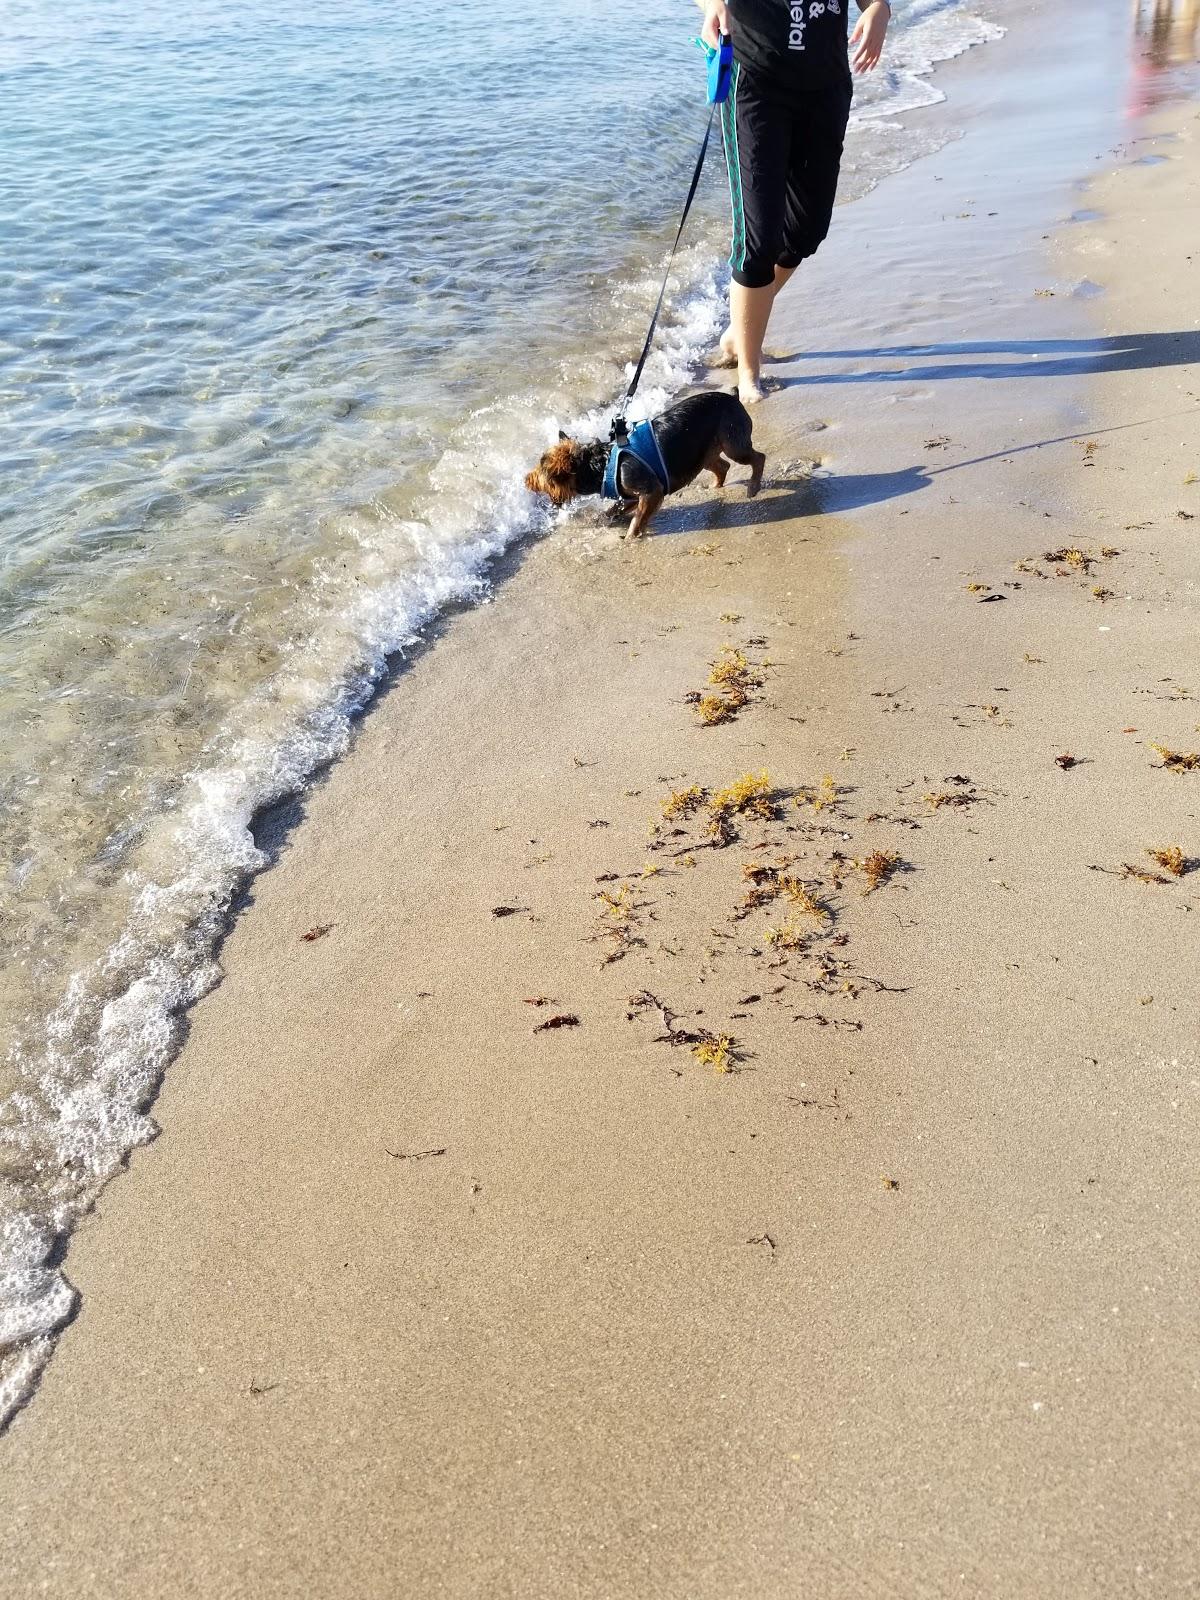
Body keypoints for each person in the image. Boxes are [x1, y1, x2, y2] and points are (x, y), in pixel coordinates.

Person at [700, 0, 891, 404]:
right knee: (758, 240)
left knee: (806, 231)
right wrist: (713, 5)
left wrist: (879, 9)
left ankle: (740, 330)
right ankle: (749, 373)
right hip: (755, 84)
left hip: (825, 87)